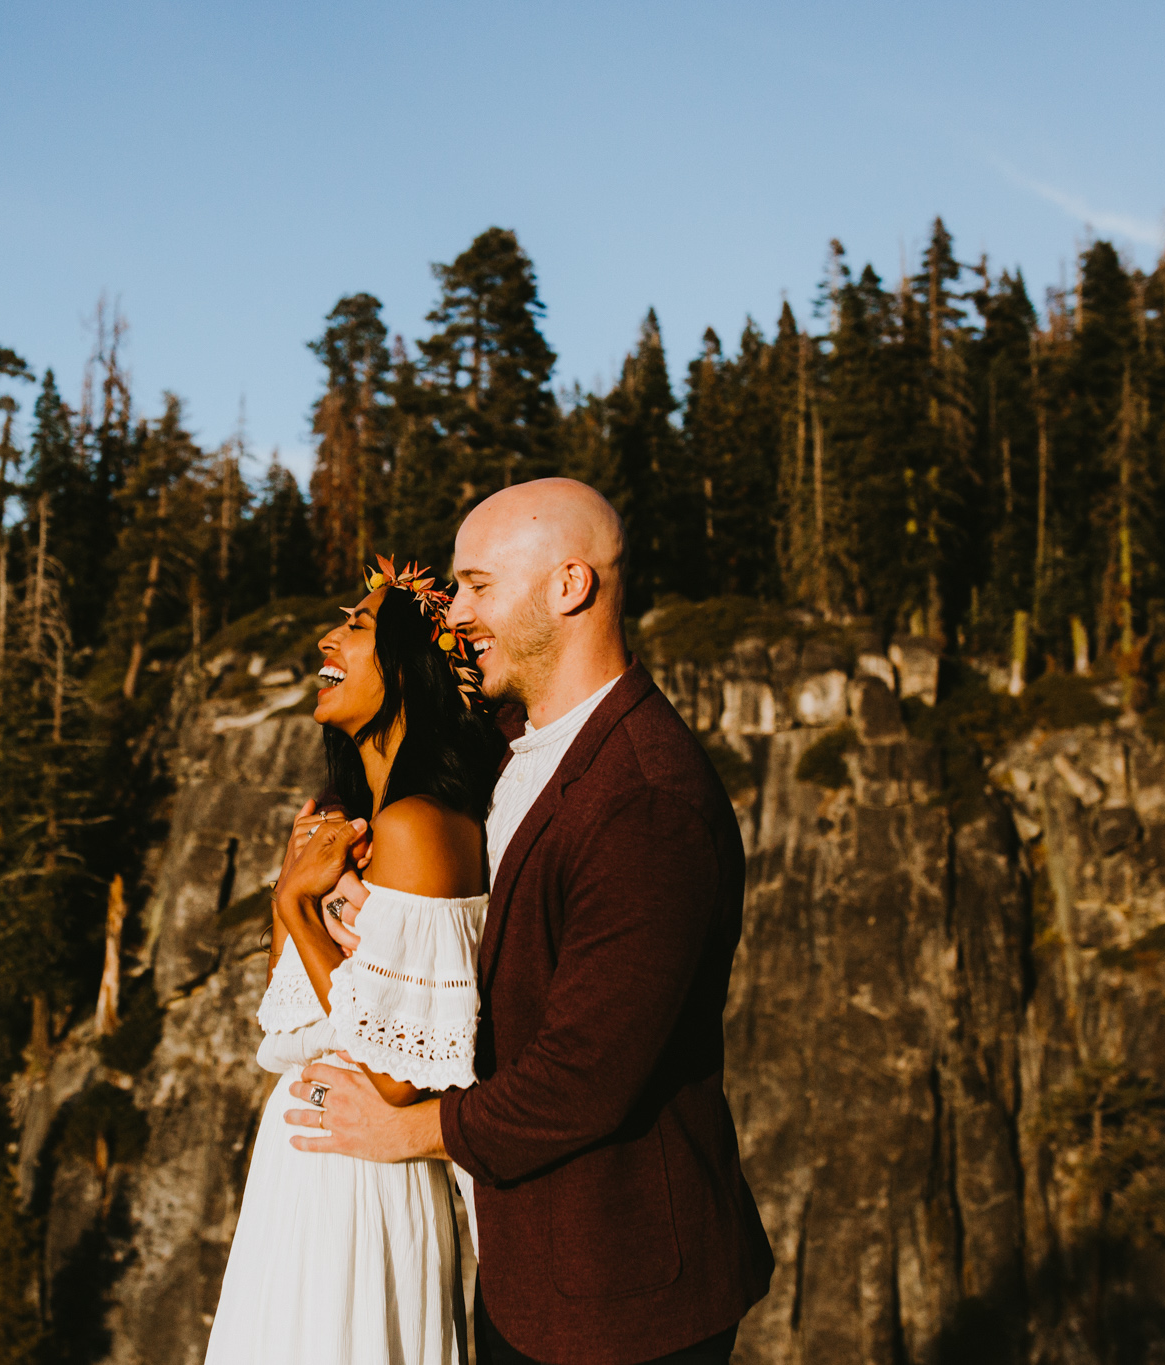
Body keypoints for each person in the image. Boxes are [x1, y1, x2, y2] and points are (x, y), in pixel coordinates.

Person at [283, 479, 775, 1365]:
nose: (454, 613)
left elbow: (582, 1077)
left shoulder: (646, 798)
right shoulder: (517, 748)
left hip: (620, 1295)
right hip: (526, 1263)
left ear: (569, 587)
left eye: (476, 585)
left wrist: (405, 1130)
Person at [203, 557, 501, 1365]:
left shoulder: (421, 826)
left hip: (366, 1173)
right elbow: (290, 1018)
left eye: (358, 626)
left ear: (408, 668)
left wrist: (298, 906)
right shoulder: (354, 821)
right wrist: (291, 888)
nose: (328, 638)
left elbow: (401, 1072)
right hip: (301, 1168)